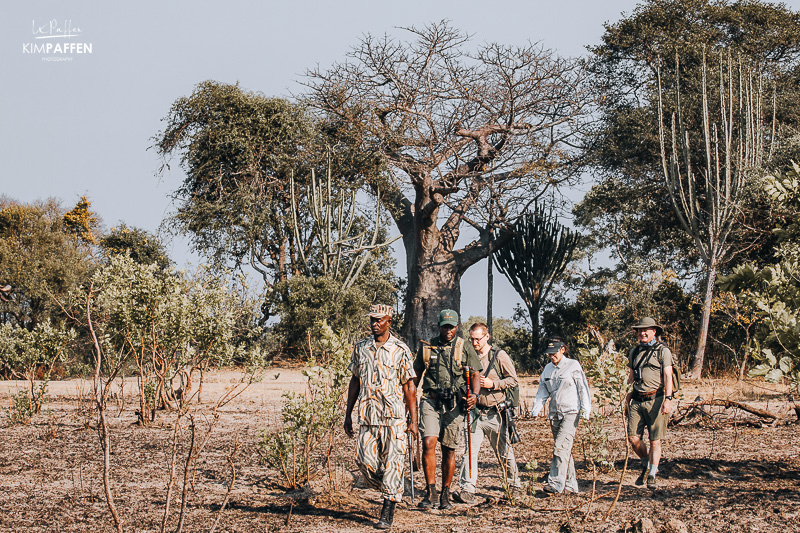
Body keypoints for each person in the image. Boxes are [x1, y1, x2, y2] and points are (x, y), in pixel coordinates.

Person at [344, 304, 419, 530]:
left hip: (394, 418)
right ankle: (392, 487)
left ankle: (388, 508)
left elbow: (409, 387)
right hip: (368, 417)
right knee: (363, 461)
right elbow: (355, 380)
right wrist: (347, 413)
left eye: (379, 320)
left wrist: (413, 421)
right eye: (372, 320)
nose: (375, 323)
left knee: (394, 464)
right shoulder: (361, 347)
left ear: (389, 321)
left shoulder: (400, 349)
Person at [412, 309, 482, 511]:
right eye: (445, 326)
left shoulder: (464, 346)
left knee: (449, 449)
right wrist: (408, 401)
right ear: (439, 326)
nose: (448, 330)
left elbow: (476, 374)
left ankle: (445, 493)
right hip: (431, 401)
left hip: (454, 404)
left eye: (452, 327)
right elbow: (416, 375)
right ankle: (430, 491)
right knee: (429, 442)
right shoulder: (427, 347)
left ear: (457, 327)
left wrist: (474, 396)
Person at [452, 322, 522, 503]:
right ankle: (467, 488)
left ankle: (514, 485)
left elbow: (513, 380)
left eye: (478, 339)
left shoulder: (499, 356)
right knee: (470, 452)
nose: (475, 343)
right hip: (475, 412)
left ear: (487, 336)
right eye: (472, 339)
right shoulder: (468, 357)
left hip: (496, 413)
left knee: (504, 452)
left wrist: (494, 384)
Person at [530, 338, 591, 494]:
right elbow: (543, 390)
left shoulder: (573, 365)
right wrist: (536, 409)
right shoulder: (548, 369)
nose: (552, 356)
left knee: (560, 448)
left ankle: (556, 483)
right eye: (549, 354)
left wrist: (585, 409)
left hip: (571, 411)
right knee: (564, 449)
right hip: (555, 414)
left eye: (554, 353)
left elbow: (582, 387)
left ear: (562, 350)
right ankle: (570, 485)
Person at [624, 317, 674, 490]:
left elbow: (668, 376)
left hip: (657, 399)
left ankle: (652, 473)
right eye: (639, 330)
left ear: (654, 332)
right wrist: (626, 397)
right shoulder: (634, 351)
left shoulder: (663, 351)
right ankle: (646, 463)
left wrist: (668, 399)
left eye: (646, 330)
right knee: (633, 438)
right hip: (637, 399)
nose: (642, 333)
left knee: (655, 441)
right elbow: (631, 377)